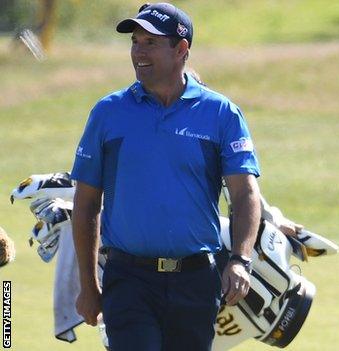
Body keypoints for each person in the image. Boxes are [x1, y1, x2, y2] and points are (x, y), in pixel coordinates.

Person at [71, 3, 261, 350]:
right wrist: (88, 284)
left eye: (150, 43)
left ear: (181, 49)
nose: (138, 53)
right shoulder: (108, 113)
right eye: (135, 42)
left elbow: (245, 193)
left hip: (197, 280)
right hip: (128, 280)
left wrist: (240, 260)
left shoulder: (220, 113)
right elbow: (85, 203)